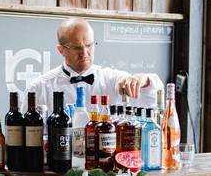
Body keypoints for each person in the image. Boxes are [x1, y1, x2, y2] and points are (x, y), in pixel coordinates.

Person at [26, 18, 164, 109]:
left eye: (89, 45)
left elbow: (153, 101)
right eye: (76, 47)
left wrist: (143, 80)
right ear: (61, 50)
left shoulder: (111, 79)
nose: (85, 52)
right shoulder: (39, 87)